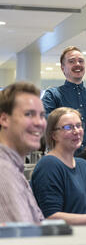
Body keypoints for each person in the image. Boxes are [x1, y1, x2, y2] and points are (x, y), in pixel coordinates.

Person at [42, 46, 86, 151]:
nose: (77, 64)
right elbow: (46, 124)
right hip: (62, 159)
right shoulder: (52, 96)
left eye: (81, 61)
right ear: (62, 68)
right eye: (72, 61)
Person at [0, 82, 46, 223]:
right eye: (29, 114)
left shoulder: (13, 169)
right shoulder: (4, 172)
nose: (39, 122)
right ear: (4, 119)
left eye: (42, 115)